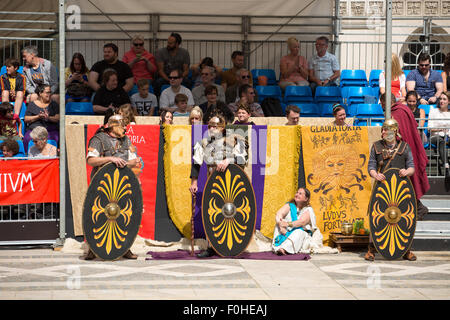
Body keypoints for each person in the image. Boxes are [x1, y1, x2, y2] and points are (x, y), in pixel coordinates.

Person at [189, 115, 248, 258]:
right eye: (209, 126)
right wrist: (194, 182)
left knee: (231, 213)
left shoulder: (234, 139)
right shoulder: (204, 142)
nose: (211, 129)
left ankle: (233, 245)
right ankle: (211, 246)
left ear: (222, 127)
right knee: (212, 213)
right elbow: (196, 163)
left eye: (215, 126)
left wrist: (228, 160)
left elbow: (244, 158)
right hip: (213, 183)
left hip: (231, 184)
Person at [84, 114, 140, 260]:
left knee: (123, 216)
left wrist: (121, 163)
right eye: (122, 125)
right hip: (103, 184)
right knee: (98, 216)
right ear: (113, 126)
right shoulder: (99, 139)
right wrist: (110, 159)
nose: (125, 128)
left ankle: (125, 248)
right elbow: (91, 160)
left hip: (123, 184)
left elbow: (134, 161)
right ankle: (93, 247)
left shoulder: (126, 140)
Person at [365, 119, 417, 261]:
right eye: (382, 130)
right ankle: (371, 250)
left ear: (393, 131)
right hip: (382, 188)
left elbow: (412, 166)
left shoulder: (404, 147)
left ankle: (406, 250)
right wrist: (376, 174)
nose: (382, 132)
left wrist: (407, 172)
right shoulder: (376, 147)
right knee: (376, 216)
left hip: (401, 189)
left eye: (385, 130)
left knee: (405, 218)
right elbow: (371, 166)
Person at [380, 92, 430, 220]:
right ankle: (416, 208)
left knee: (404, 180)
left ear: (387, 102)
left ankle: (418, 208)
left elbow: (395, 134)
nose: (381, 106)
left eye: (382, 103)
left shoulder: (396, 112)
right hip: (409, 147)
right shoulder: (404, 109)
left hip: (402, 152)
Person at [272, 187, 317, 255]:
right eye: (297, 193)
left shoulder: (308, 210)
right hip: (285, 231)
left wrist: (286, 224)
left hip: (301, 235)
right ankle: (277, 247)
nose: (297, 195)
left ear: (306, 198)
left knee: (299, 232)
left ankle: (284, 248)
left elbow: (301, 222)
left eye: (300, 193)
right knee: (278, 223)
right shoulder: (290, 205)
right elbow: (279, 214)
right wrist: (281, 225)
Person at [23, 84, 59, 153]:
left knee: (55, 138)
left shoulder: (54, 104)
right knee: (28, 138)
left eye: (50, 92)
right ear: (40, 93)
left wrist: (48, 117)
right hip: (34, 130)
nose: (49, 94)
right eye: (47, 92)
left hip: (50, 131)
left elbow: (57, 118)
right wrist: (38, 116)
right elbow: (26, 119)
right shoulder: (32, 104)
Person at [428, 91, 450, 183]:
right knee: (440, 141)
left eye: (444, 99)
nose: (441, 101)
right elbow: (430, 128)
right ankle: (446, 165)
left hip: (448, 136)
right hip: (435, 137)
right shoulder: (433, 111)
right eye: (440, 99)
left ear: (449, 102)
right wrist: (440, 129)